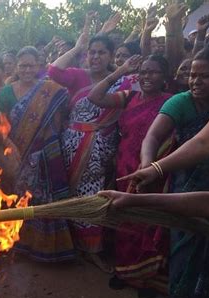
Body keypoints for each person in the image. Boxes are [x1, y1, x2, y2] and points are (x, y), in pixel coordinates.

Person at [118, 44, 209, 298]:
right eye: (192, 76)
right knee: (184, 245)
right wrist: (150, 166)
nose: (196, 81)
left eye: (205, 76)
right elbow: (159, 137)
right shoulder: (180, 102)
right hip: (188, 184)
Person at [48, 12, 131, 271]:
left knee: (94, 195)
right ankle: (70, 243)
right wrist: (78, 47)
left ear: (111, 55)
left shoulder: (123, 80)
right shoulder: (78, 76)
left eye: (101, 52)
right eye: (92, 52)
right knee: (70, 193)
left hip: (103, 147)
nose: (95, 57)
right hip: (72, 145)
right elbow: (53, 70)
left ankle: (92, 248)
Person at [88, 54, 173, 298]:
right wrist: (120, 71)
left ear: (165, 76)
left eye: (153, 72)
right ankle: (124, 271)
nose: (147, 77)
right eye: (143, 72)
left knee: (147, 222)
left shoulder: (171, 102)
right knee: (123, 219)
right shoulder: (130, 97)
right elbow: (95, 97)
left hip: (154, 170)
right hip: (125, 168)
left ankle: (147, 279)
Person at [0, 46, 75, 262]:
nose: (27, 70)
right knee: (18, 199)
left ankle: (45, 249)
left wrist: (48, 142)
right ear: (16, 68)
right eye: (22, 66)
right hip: (16, 153)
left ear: (38, 66)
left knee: (41, 201)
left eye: (31, 65)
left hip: (44, 156)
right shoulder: (6, 92)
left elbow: (59, 118)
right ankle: (18, 245)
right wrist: (9, 143)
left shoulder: (50, 89)